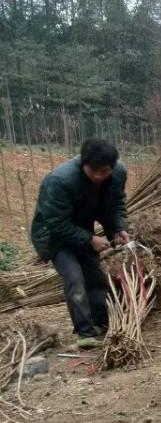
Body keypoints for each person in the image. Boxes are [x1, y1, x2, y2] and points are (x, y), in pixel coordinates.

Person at [30, 139, 129, 348]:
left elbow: (116, 203)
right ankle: (85, 333)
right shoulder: (60, 181)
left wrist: (119, 227)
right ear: (83, 164)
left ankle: (102, 322)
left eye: (105, 172)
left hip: (81, 228)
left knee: (95, 276)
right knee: (74, 278)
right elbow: (56, 222)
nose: (99, 177)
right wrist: (89, 239)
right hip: (53, 235)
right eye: (95, 172)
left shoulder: (117, 173)